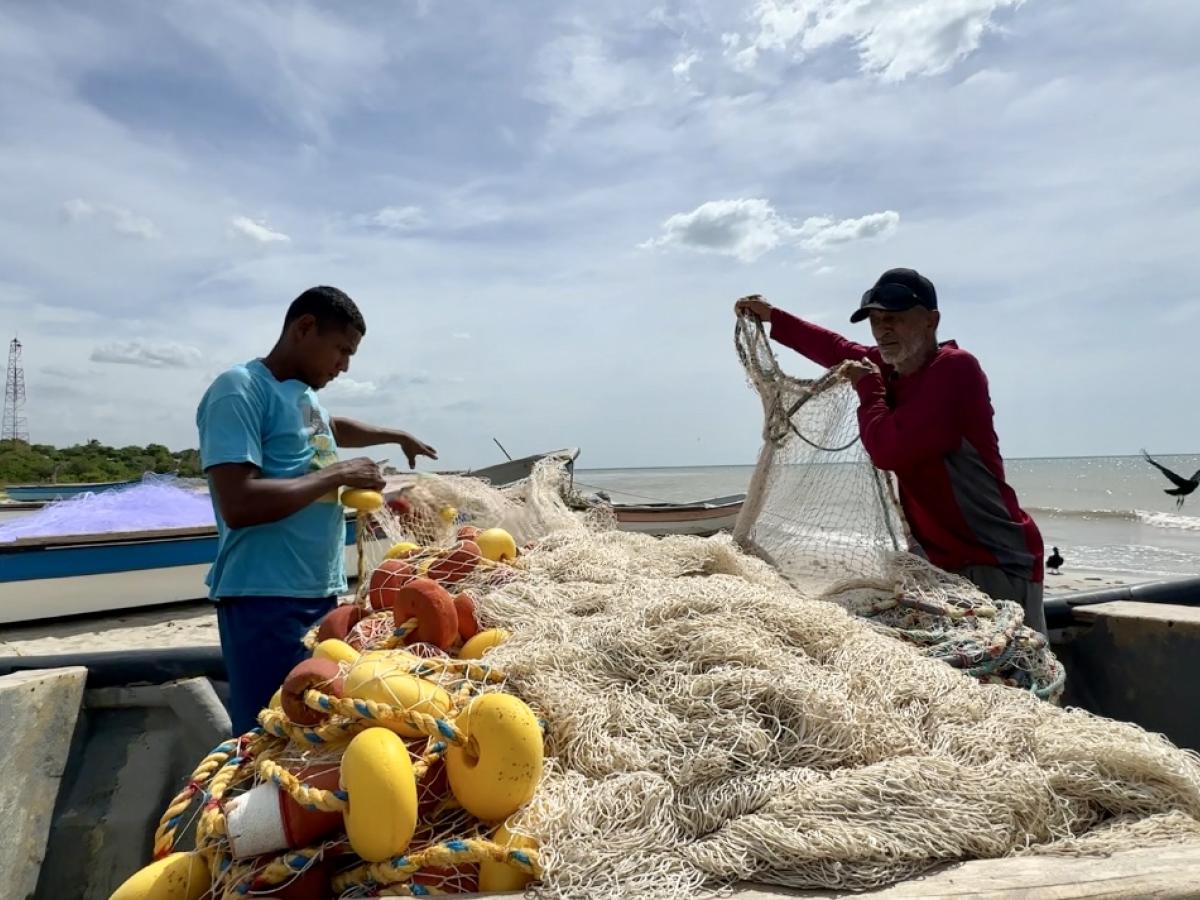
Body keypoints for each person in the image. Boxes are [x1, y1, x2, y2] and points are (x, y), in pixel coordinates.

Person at [736, 268, 1047, 635]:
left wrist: (868, 390)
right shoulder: (891, 369)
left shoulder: (954, 369)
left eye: (896, 319)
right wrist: (774, 317)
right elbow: (837, 349)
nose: (884, 329)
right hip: (938, 561)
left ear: (932, 321)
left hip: (994, 559)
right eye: (877, 320)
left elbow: (887, 449)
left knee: (1009, 675)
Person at [196, 285, 438, 733]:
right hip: (264, 599)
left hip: (320, 595)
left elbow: (332, 428)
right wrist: (338, 475)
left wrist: (395, 435)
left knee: (313, 731)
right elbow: (239, 502)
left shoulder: (305, 397)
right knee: (267, 732)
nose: (344, 365)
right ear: (304, 328)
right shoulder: (240, 390)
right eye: (342, 350)